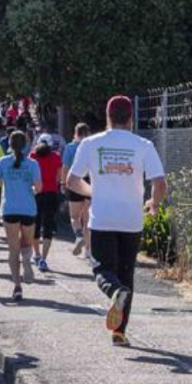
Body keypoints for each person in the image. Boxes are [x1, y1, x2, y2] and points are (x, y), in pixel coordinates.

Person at [67, 96, 166, 346]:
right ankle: (119, 332)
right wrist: (153, 203)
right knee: (126, 273)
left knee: (102, 269)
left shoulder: (90, 143)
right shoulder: (143, 145)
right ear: (131, 118)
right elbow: (159, 182)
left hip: (102, 219)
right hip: (132, 220)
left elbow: (71, 181)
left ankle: (114, 292)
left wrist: (93, 192)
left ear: (108, 117)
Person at [0, 131, 41, 302]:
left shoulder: (3, 162)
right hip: (28, 208)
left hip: (10, 208)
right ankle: (27, 260)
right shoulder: (33, 164)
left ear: (9, 145)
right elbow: (39, 187)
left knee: (12, 249)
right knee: (27, 241)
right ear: (26, 145)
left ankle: (17, 286)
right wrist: (30, 190)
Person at [30, 135, 63, 273]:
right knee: (48, 225)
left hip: (36, 193)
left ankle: (36, 254)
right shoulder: (56, 157)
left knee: (35, 224)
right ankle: (44, 258)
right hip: (51, 193)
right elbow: (58, 177)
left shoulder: (32, 155)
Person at [62, 122, 92, 258]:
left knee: (74, 216)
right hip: (90, 182)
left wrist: (63, 183)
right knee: (88, 218)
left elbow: (66, 167)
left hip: (74, 181)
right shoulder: (92, 146)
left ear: (75, 133)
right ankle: (88, 250)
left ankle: (78, 235)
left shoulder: (70, 147)